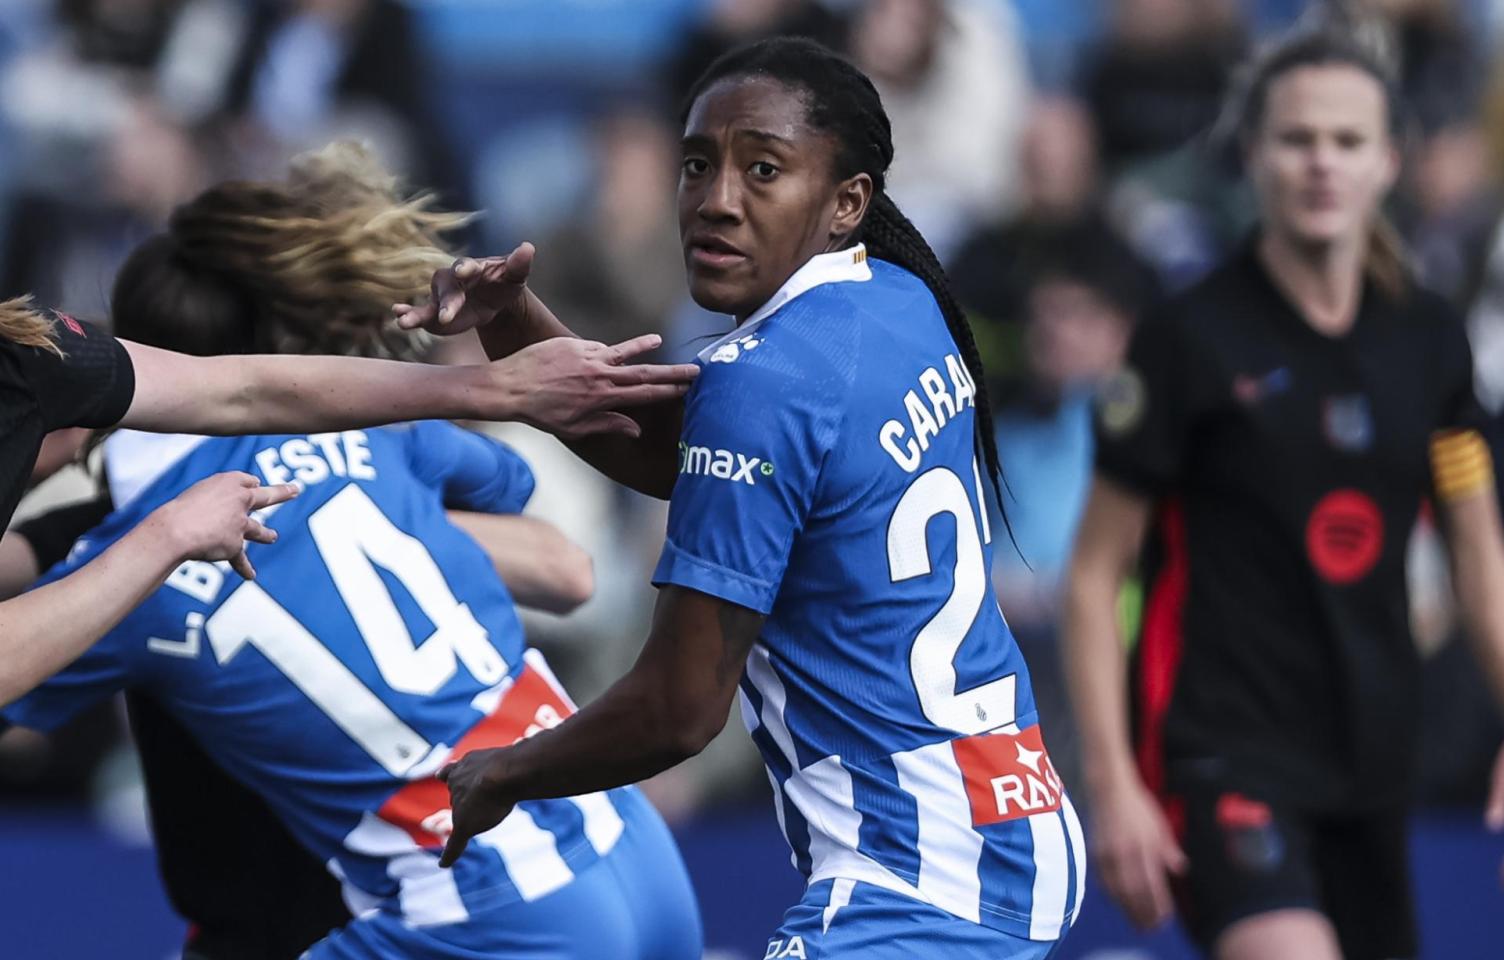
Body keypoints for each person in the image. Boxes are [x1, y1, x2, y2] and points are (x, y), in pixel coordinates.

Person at [402, 37, 1084, 959]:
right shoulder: (901, 301)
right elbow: (707, 472)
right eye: (696, 164)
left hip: (913, 872)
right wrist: (517, 330)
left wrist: (507, 771)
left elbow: (679, 709)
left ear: (849, 201)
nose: (717, 200)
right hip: (1016, 814)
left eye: (764, 169)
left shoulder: (762, 383)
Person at [0, 143, 703, 960]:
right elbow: (559, 557)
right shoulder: (377, 438)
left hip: (471, 900)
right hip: (630, 842)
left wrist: (168, 545)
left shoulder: (120, 560)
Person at [1060, 29, 1504, 960]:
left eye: (1347, 140)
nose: (1321, 163)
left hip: (1370, 763)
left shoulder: (1430, 342)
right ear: (1252, 155)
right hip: (1220, 755)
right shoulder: (1187, 340)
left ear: (1388, 162)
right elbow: (1092, 577)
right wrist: (1113, 780)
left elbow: (1478, 552)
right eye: (1296, 139)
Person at [0, 276, 693, 707]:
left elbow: (241, 390)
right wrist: (168, 536)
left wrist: (498, 387)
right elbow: (565, 568)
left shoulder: (30, 362)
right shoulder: (129, 522)